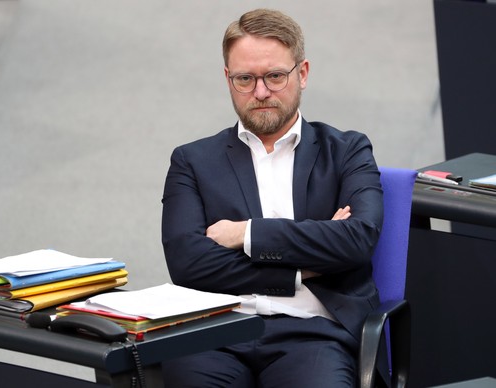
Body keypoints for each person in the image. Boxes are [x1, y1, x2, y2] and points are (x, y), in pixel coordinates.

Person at [161, 8, 384, 387]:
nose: (260, 92)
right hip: (215, 332)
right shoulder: (192, 161)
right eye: (245, 79)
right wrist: (301, 268)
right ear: (227, 79)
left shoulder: (347, 150)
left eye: (275, 76)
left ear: (303, 73)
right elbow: (188, 265)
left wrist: (245, 234)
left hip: (313, 334)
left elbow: (357, 240)